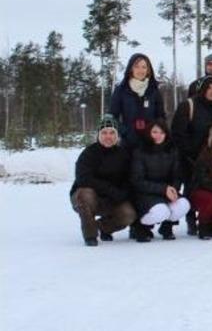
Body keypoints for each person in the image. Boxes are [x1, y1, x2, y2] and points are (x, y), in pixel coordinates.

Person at [70, 115, 137, 246]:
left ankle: (103, 227)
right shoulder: (88, 154)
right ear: (99, 135)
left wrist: (122, 194)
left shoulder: (123, 154)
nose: (108, 136)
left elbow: (130, 178)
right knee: (85, 194)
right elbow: (84, 178)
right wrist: (110, 190)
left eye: (112, 133)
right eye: (104, 133)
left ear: (117, 135)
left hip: (112, 199)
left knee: (128, 214)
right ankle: (90, 235)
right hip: (87, 198)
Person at [170, 75, 212, 235]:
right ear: (202, 89)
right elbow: (177, 133)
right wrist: (190, 154)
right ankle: (190, 219)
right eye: (209, 88)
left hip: (210, 157)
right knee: (189, 188)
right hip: (189, 157)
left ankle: (208, 219)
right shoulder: (189, 105)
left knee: (209, 188)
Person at [130, 119, 190, 242]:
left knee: (184, 205)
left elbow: (177, 175)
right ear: (148, 133)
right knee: (161, 211)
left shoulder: (172, 150)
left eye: (162, 133)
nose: (158, 136)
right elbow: (137, 181)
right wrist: (164, 189)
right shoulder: (140, 152)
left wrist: (174, 189)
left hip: (167, 191)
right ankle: (141, 226)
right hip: (146, 194)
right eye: (155, 132)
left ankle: (166, 227)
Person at [109, 53, 166, 149]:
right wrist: (125, 131)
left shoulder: (154, 90)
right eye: (137, 66)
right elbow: (112, 117)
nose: (141, 70)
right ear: (131, 69)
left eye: (144, 67)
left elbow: (161, 116)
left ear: (148, 70)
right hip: (128, 144)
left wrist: (155, 132)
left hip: (150, 144)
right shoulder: (121, 90)